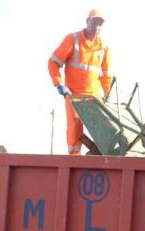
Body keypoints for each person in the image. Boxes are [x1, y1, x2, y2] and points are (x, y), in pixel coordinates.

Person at [48, 9, 113, 155]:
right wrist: (59, 84)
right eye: (94, 22)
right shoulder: (73, 39)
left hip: (94, 98)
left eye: (100, 24)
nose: (97, 27)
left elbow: (106, 75)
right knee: (74, 130)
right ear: (87, 21)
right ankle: (74, 161)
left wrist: (110, 96)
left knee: (101, 130)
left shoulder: (104, 46)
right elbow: (53, 62)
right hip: (74, 96)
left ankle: (101, 158)